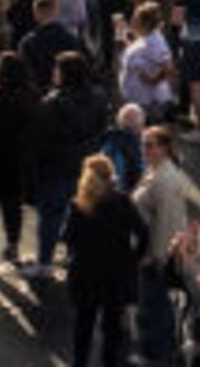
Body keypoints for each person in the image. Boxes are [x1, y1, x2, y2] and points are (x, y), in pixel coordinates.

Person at [63, 151, 150, 367]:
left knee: (84, 325)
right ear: (111, 174)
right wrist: (134, 258)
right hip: (116, 275)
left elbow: (67, 237)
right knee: (112, 329)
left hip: (85, 273)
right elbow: (143, 232)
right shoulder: (122, 201)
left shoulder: (79, 204)